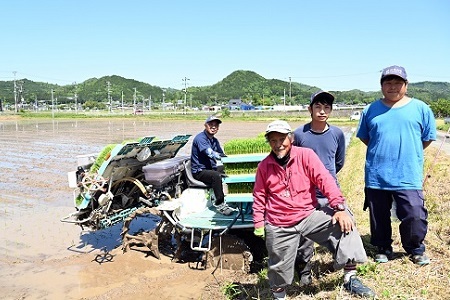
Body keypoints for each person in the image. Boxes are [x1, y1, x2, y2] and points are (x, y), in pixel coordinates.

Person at [253, 120, 375, 299]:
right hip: (280, 222)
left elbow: (324, 180)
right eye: (273, 141)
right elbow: (259, 196)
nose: (278, 145)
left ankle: (350, 277)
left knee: (345, 221)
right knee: (279, 267)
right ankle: (279, 295)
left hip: (307, 215)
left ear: (291, 138)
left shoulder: (305, 156)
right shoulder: (264, 167)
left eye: (282, 139)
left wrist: (339, 207)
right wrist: (258, 223)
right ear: (269, 142)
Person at [356, 65, 436, 265]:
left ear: (406, 85)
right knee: (379, 215)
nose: (393, 87)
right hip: (377, 174)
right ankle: (383, 247)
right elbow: (367, 138)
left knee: (414, 213)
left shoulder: (421, 108)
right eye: (388, 83)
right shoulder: (370, 110)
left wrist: (409, 152)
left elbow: (426, 139)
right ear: (381, 85)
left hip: (408, 173)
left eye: (397, 82)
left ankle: (415, 248)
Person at [293, 90, 347, 285]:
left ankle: (341, 264)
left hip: (331, 192)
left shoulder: (337, 134)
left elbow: (339, 162)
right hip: (306, 195)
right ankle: (304, 271)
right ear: (310, 109)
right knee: (304, 235)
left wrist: (326, 179)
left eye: (326, 107)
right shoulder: (299, 134)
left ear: (331, 111)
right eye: (318, 106)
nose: (322, 111)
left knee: (340, 227)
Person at [191, 115, 235, 216]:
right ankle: (220, 204)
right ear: (205, 125)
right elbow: (210, 153)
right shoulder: (200, 138)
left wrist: (233, 160)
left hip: (210, 169)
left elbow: (222, 154)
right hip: (199, 171)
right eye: (211, 124)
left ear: (218, 128)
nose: (213, 127)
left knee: (228, 170)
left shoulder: (214, 141)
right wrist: (220, 156)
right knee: (216, 176)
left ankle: (233, 198)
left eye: (216, 125)